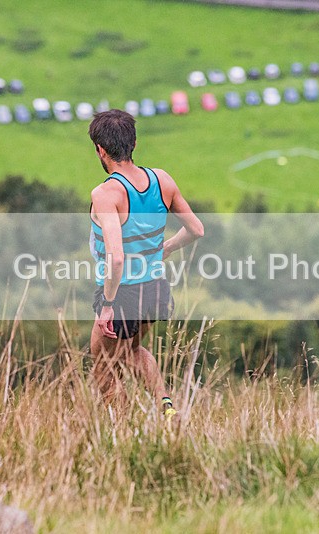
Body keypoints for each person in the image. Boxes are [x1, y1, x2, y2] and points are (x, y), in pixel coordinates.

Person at [88, 110, 204, 425]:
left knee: (103, 365)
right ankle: (165, 404)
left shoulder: (105, 194)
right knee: (133, 350)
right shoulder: (162, 180)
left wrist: (108, 304)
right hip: (155, 290)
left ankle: (123, 433)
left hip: (121, 293)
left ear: (100, 149)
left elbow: (116, 257)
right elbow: (196, 229)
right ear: (134, 142)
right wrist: (163, 249)